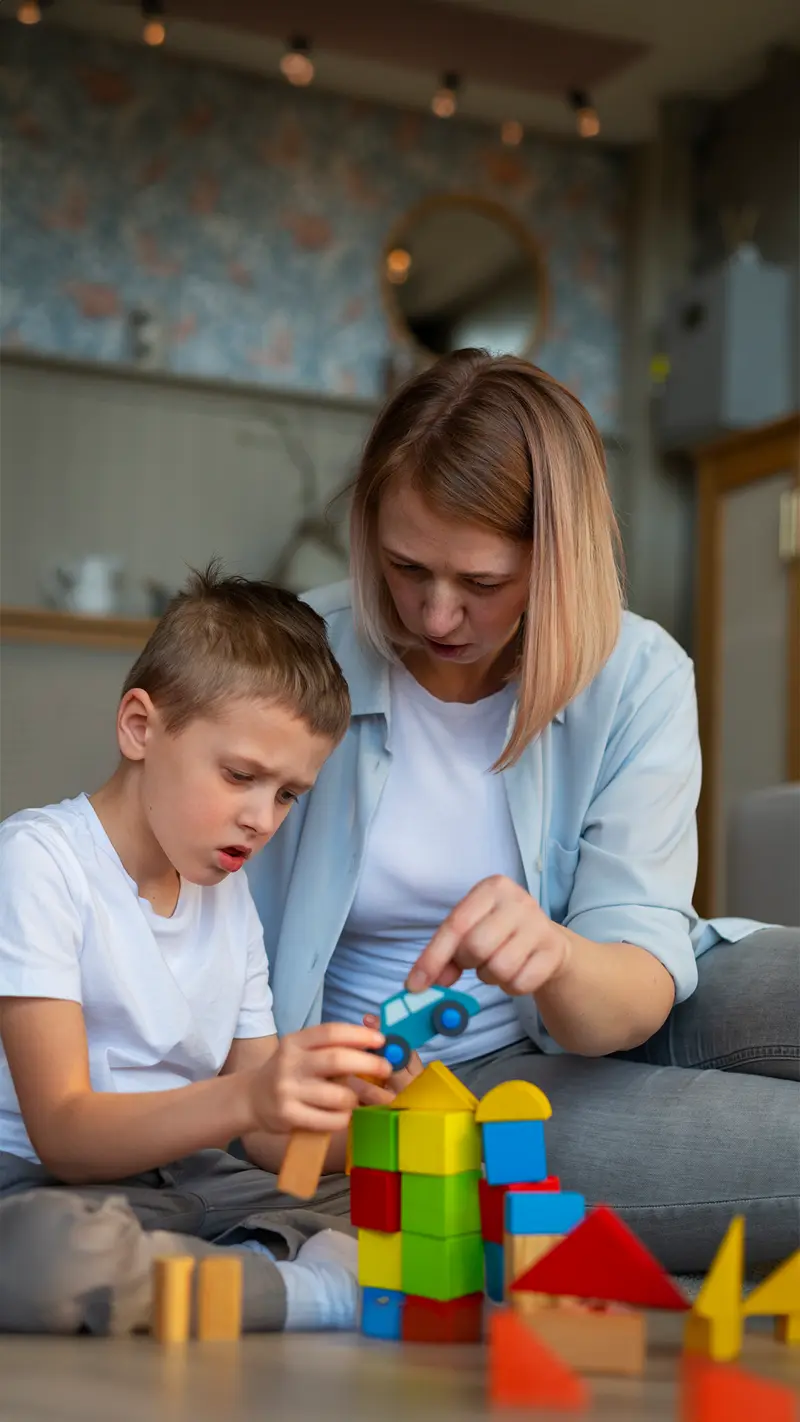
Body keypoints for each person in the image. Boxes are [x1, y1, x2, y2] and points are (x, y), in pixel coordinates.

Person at [249, 349, 799, 1274]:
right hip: (441, 1097)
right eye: (404, 567)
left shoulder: (637, 673)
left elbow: (629, 989)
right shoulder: (294, 657)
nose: (433, 615)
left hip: (611, 1000)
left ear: (559, 559)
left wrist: (553, 955)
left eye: (483, 583)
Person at [0, 567, 400, 1336]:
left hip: (188, 1184)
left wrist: (371, 1106)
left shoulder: (226, 894)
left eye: (287, 794)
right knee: (55, 1260)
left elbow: (267, 1140)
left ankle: (223, 1275)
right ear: (140, 728)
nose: (261, 819)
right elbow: (65, 1131)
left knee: (401, 1214)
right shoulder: (39, 860)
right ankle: (298, 1289)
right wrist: (248, 1099)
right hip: (48, 1183)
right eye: (240, 776)